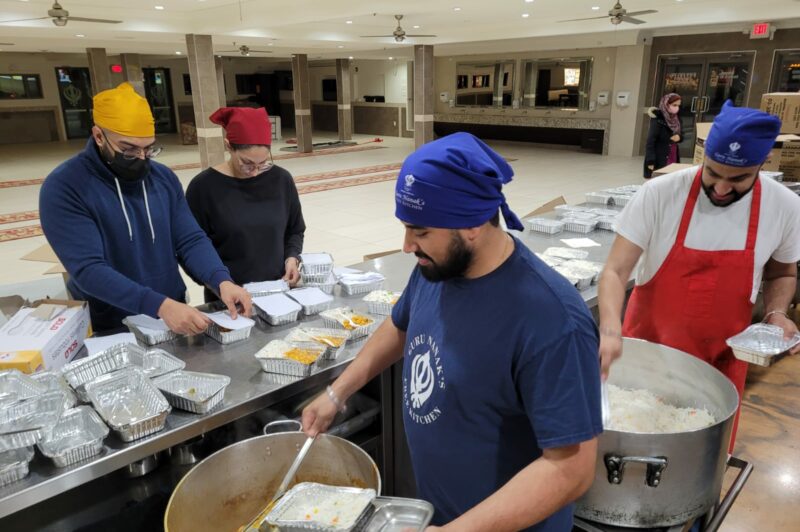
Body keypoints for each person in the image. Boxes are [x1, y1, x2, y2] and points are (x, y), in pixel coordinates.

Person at [302, 133, 602, 531]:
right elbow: (400, 324)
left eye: (421, 231)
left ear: (474, 223)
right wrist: (337, 392)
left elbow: (571, 471)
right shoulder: (435, 269)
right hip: (441, 512)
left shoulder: (551, 320)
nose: (407, 245)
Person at [599, 100, 800, 449]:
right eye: (712, 173)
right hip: (648, 355)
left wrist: (776, 312)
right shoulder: (659, 194)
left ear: (762, 164)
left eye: (738, 179)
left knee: (700, 460)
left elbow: (782, 272)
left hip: (720, 363)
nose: (721, 189)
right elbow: (616, 270)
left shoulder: (784, 206)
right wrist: (610, 330)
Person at [40, 82, 252, 335]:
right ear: (98, 136)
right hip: (110, 322)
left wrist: (221, 280)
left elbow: (190, 239)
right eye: (128, 150)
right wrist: (158, 305)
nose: (141, 158)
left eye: (148, 148)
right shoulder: (66, 187)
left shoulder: (162, 178)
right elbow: (88, 269)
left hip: (171, 312)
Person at [186, 107, 305, 302]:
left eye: (263, 163)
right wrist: (219, 283)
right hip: (228, 297)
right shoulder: (204, 187)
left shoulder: (281, 180)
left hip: (277, 292)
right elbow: (190, 248)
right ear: (229, 146)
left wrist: (292, 257)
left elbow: (295, 229)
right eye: (247, 163)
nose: (256, 172)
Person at [644, 93, 682, 178]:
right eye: (674, 105)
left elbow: (679, 133)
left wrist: (679, 137)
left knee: (672, 179)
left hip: (673, 153)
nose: (676, 108)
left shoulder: (675, 118)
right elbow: (650, 141)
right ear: (666, 104)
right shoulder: (658, 119)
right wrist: (650, 161)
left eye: (678, 105)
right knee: (660, 181)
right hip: (660, 157)